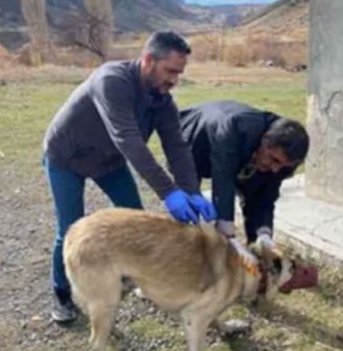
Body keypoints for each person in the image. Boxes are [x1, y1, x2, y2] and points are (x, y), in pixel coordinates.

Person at [42, 31, 216, 324]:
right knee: (70, 227)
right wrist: (168, 192)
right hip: (67, 157)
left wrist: (191, 190)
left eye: (179, 73)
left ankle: (132, 275)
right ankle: (61, 294)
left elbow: (177, 147)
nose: (174, 80)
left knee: (135, 218)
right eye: (170, 70)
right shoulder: (111, 81)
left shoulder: (162, 101)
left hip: (108, 161)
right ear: (148, 60)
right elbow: (129, 140)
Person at [180, 100, 308, 261]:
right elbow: (224, 179)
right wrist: (226, 229)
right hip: (194, 142)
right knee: (188, 210)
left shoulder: (282, 160)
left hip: (238, 152)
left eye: (282, 166)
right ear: (264, 142)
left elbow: (264, 196)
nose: (276, 169)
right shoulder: (235, 128)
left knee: (255, 186)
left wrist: (263, 233)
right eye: (274, 160)